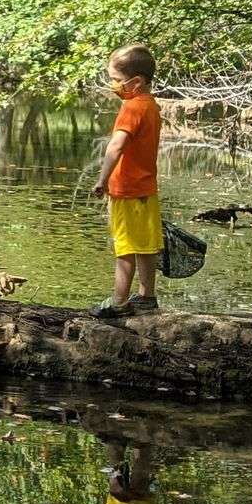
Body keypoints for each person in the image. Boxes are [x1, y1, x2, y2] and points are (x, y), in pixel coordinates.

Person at [94, 44, 162, 318]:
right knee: (145, 244)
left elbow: (116, 146)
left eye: (116, 80)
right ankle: (147, 296)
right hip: (146, 188)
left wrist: (102, 178)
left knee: (125, 246)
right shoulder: (151, 105)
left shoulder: (132, 107)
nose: (113, 85)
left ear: (136, 82)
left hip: (126, 189)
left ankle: (119, 302)